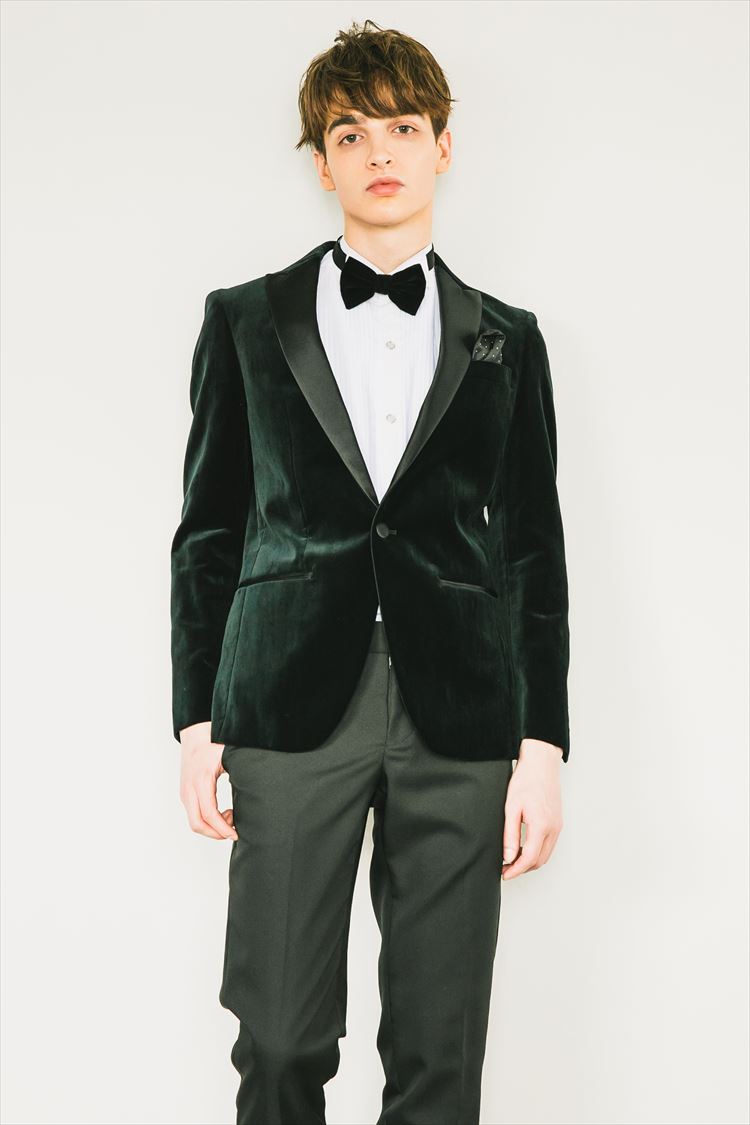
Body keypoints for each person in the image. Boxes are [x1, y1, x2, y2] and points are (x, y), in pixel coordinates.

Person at [170, 18, 571, 1125]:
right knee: (280, 1036)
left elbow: (532, 546)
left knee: (442, 1054)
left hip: (463, 710)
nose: (379, 152)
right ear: (322, 163)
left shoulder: (509, 338)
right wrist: (197, 720)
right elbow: (208, 531)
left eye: (401, 127)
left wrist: (542, 746)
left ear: (443, 145)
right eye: (350, 133)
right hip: (286, 699)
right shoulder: (243, 321)